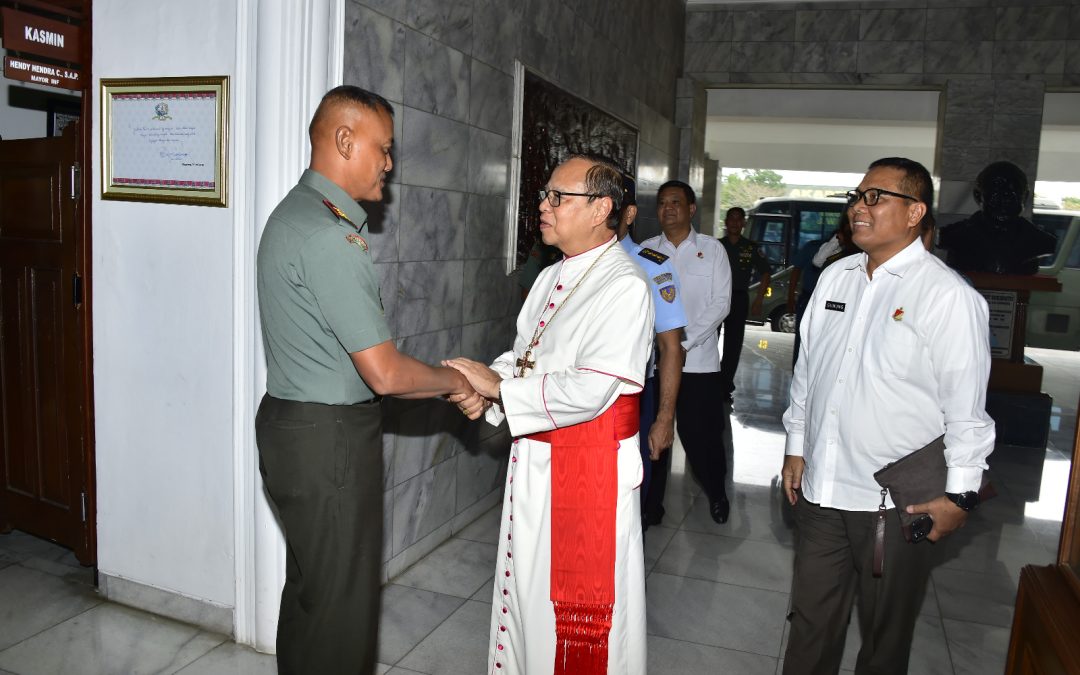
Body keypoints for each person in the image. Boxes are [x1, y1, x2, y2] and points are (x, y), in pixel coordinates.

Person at [255, 85, 483, 675]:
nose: (388, 162)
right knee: (342, 616)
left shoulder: (295, 214)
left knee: (314, 596)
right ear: (344, 140)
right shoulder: (330, 236)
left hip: (295, 428)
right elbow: (382, 372)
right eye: (383, 148)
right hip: (327, 439)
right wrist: (453, 381)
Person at [781, 157, 995, 675]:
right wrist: (795, 446)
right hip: (823, 491)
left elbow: (967, 409)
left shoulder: (947, 296)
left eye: (876, 197)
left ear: (915, 211)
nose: (859, 206)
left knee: (883, 638)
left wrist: (959, 495)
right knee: (810, 624)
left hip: (896, 503)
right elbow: (807, 372)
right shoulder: (835, 278)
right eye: (857, 196)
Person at [444, 155, 654, 675]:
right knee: (527, 600)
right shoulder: (552, 275)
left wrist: (499, 390)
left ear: (601, 207)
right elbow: (524, 356)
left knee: (574, 618)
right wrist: (486, 386)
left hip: (588, 472)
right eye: (545, 194)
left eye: (558, 197)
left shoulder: (624, 284)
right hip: (536, 463)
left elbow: (593, 388)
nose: (543, 205)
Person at [640, 181, 733, 525]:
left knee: (702, 437)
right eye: (662, 203)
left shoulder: (712, 250)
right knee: (654, 435)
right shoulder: (645, 251)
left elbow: (721, 303)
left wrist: (683, 342)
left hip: (698, 364)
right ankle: (652, 505)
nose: (668, 209)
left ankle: (717, 492)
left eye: (675, 202)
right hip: (654, 366)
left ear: (691, 209)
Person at [616, 173, 688, 530]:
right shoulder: (570, 265)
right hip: (575, 400)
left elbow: (670, 347)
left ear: (627, 213)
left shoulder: (651, 264)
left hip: (631, 400)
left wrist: (664, 418)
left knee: (627, 507)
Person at [938, 160, 1056, 275]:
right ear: (978, 196)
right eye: (996, 188)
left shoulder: (1040, 240)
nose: (1005, 195)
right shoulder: (954, 236)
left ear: (1025, 196)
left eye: (1013, 188)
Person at [789, 215, 858, 368]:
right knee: (803, 342)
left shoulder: (857, 254)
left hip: (837, 306)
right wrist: (835, 241)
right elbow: (817, 261)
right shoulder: (824, 248)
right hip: (810, 299)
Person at [718, 206, 771, 403]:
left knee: (733, 345)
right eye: (731, 219)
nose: (734, 223)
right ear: (726, 222)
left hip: (739, 299)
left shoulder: (751, 247)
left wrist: (759, 299)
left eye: (738, 219)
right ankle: (710, 382)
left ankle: (725, 385)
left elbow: (766, 273)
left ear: (744, 224)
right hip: (717, 299)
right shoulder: (716, 245)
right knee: (709, 343)